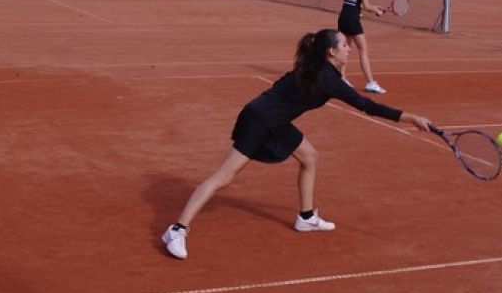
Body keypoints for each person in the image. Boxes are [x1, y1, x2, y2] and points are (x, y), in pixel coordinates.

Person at [160, 29, 433, 260]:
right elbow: (367, 105)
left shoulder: (316, 67)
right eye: (344, 45)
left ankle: (306, 217)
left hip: (272, 119)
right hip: (260, 121)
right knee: (224, 177)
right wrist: (410, 117)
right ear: (331, 52)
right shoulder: (327, 78)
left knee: (310, 157)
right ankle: (176, 230)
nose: (349, 48)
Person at [338, 0, 386, 94]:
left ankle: (342, 79)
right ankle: (370, 83)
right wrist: (376, 10)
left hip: (343, 18)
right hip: (352, 20)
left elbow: (357, 4)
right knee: (363, 50)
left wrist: (376, 7)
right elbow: (366, 6)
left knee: (345, 50)